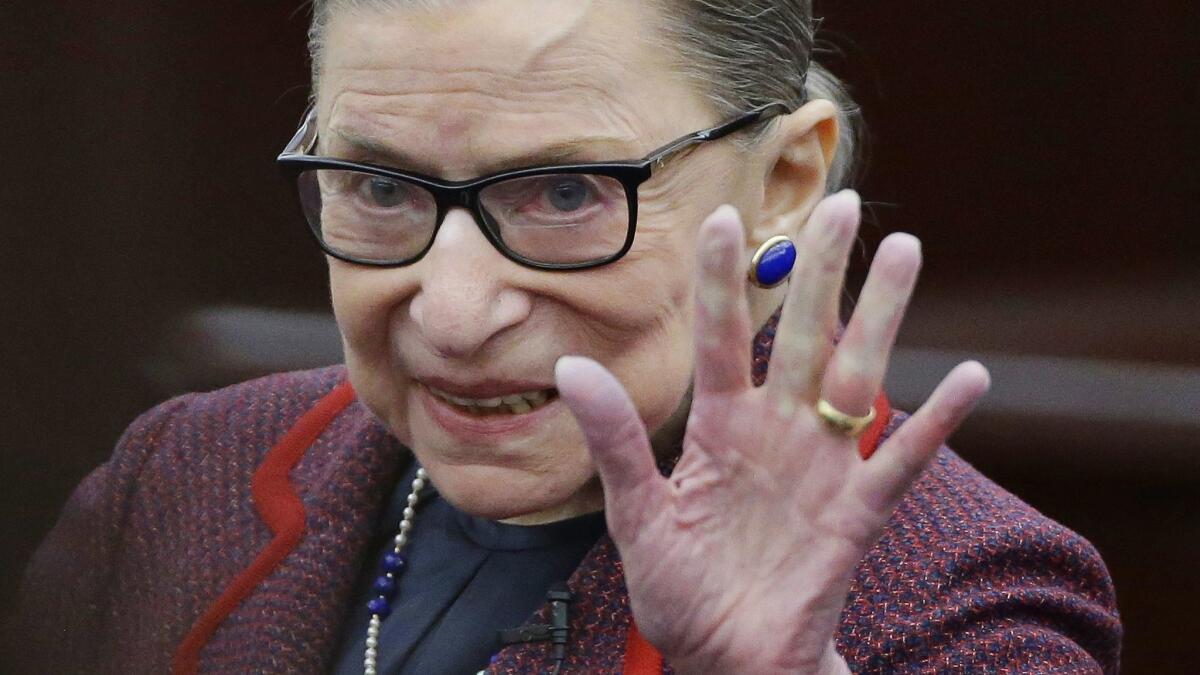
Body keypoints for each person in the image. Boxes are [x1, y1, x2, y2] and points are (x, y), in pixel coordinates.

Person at [16, 1, 1122, 673]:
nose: (451, 310)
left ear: (786, 176)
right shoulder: (181, 477)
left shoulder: (954, 596)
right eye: (377, 186)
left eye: (564, 194)